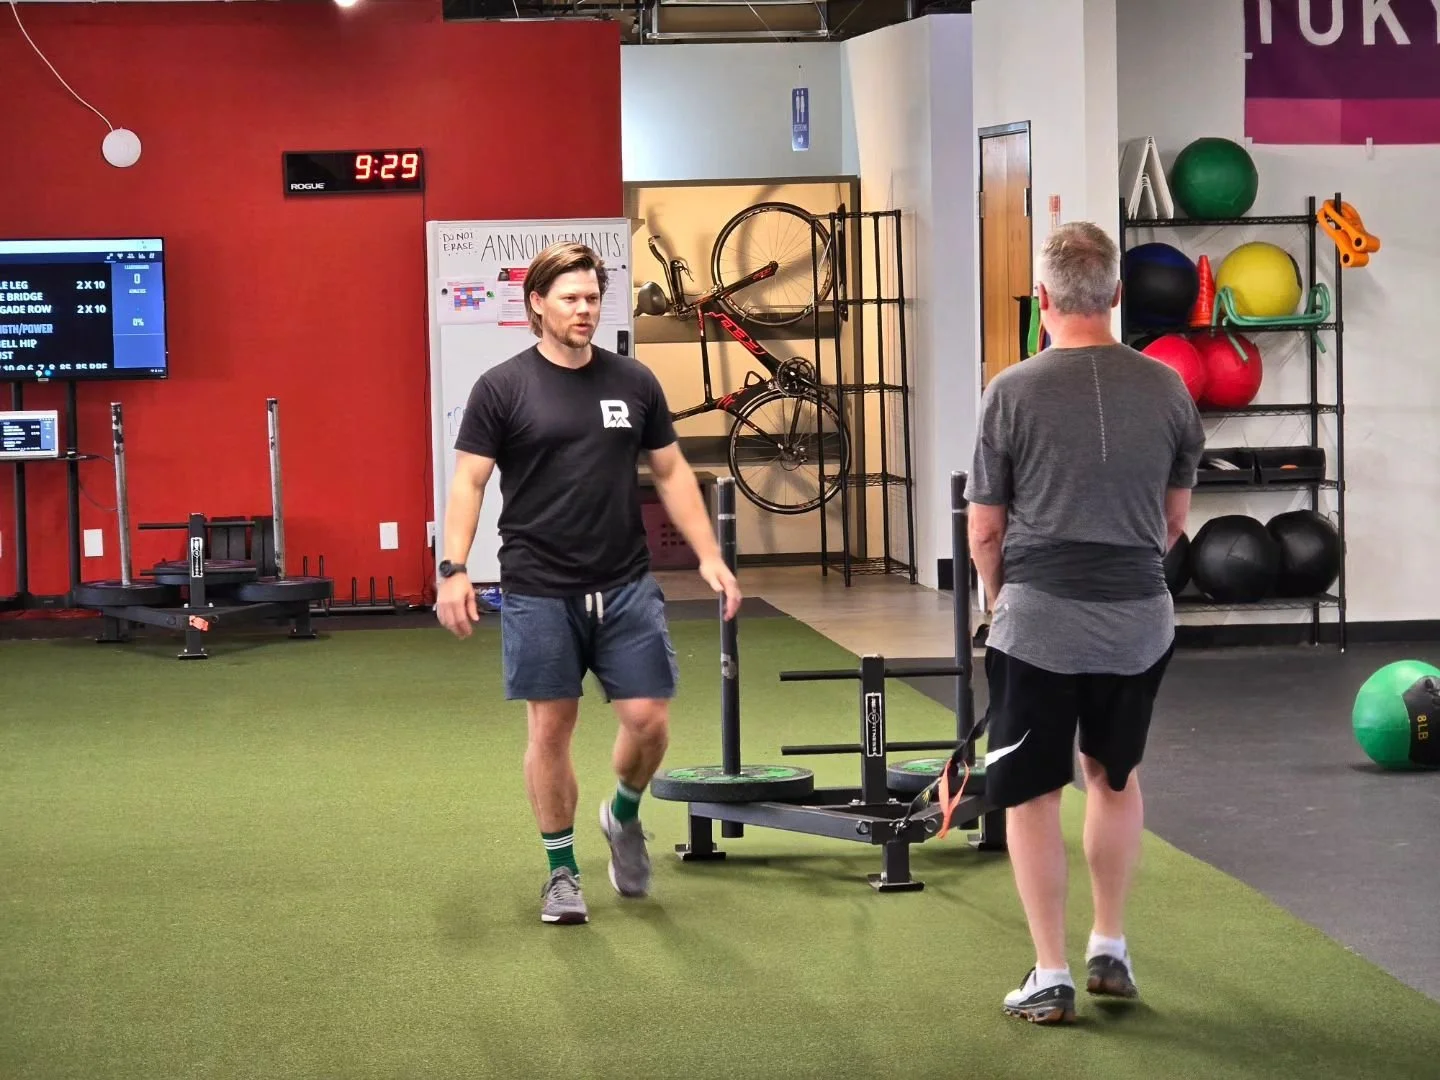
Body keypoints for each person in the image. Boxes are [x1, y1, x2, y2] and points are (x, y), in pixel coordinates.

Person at [434, 241, 742, 926]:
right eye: (570, 298)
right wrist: (453, 568)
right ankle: (561, 871)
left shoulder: (633, 382)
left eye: (593, 298)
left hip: (625, 582)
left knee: (649, 721)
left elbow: (669, 471)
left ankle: (623, 813)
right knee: (551, 729)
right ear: (537, 303)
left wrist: (709, 555)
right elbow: (469, 482)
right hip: (539, 586)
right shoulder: (503, 387)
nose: (584, 309)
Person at [966, 221, 1206, 1023]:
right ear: (1116, 294)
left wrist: (996, 599)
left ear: (1042, 297)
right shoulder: (1169, 388)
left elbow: (985, 529)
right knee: (1113, 776)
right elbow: (1174, 520)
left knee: (1033, 793)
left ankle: (1051, 972)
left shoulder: (1010, 391)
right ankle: (1110, 945)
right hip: (1138, 620)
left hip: (1039, 620)